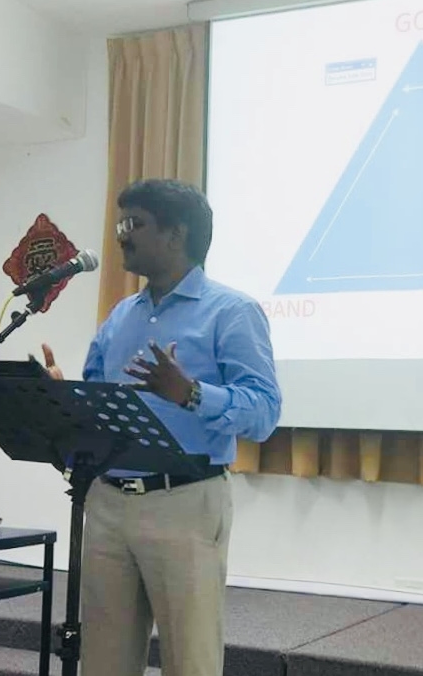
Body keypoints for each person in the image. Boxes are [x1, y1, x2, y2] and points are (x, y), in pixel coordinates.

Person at [40, 178, 281, 676]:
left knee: (191, 661)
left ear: (177, 234)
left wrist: (191, 394)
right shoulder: (120, 316)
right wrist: (62, 398)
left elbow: (264, 412)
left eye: (134, 224)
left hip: (184, 502)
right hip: (107, 503)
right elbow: (98, 405)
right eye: (119, 225)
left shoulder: (232, 312)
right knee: (103, 663)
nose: (121, 236)